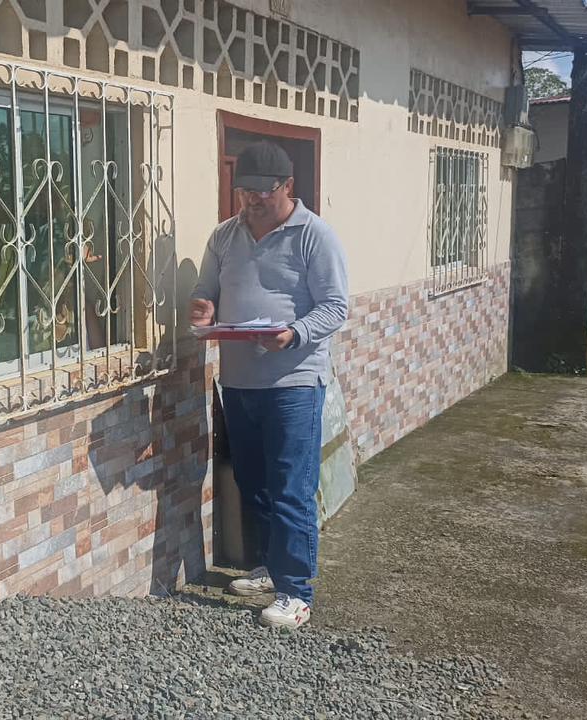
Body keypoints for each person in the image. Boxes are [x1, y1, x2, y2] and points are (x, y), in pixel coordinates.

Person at [190, 141, 348, 628]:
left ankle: (296, 592)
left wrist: (294, 334)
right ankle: (268, 568)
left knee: (290, 487)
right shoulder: (224, 236)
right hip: (239, 381)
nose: (253, 200)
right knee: (253, 482)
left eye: (264, 191)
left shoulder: (314, 235)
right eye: (246, 191)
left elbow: (335, 306)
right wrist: (203, 308)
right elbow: (205, 291)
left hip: (294, 381)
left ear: (287, 187)